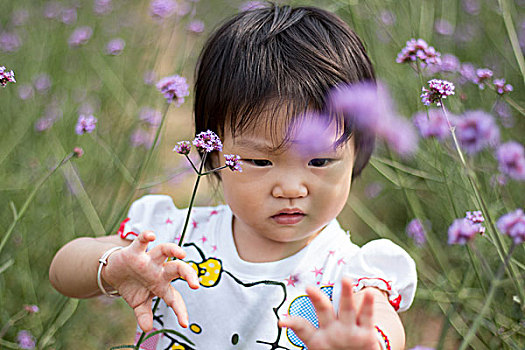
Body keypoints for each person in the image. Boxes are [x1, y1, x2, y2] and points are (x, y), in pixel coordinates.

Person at [49, 4, 417, 350]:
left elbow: (384, 325)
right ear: (213, 152)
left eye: (319, 160)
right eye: (259, 161)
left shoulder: (349, 271)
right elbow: (63, 268)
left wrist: (365, 342)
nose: (291, 188)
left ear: (358, 152)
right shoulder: (178, 236)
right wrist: (112, 266)